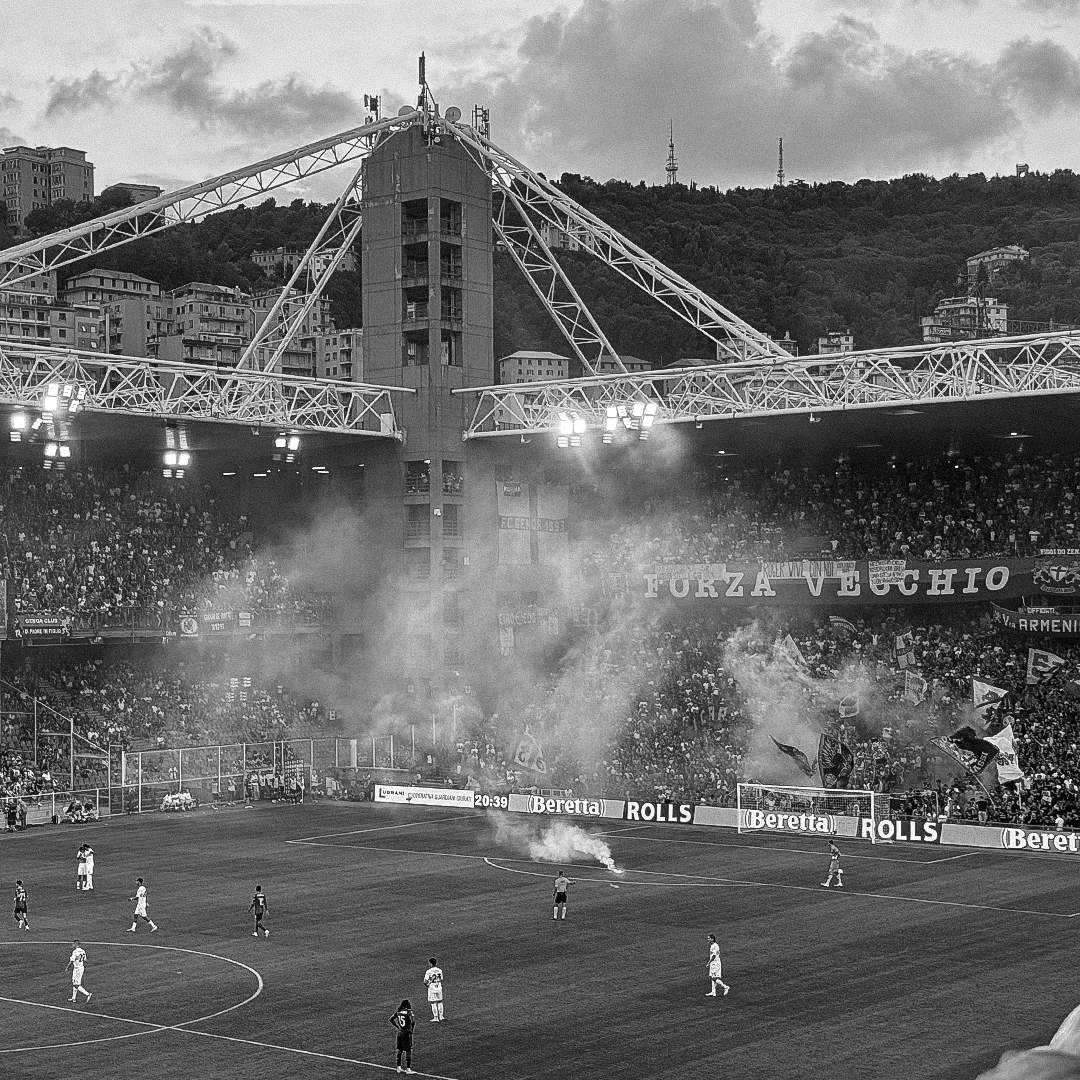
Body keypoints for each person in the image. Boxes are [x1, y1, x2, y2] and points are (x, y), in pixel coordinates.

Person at [389, 998, 415, 1073]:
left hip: (400, 1032)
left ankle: (398, 1067)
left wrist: (398, 1027)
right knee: (408, 1050)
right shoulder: (409, 1012)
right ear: (406, 1005)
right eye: (409, 1003)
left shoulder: (398, 1011)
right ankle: (408, 1069)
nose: (410, 1004)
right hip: (406, 1033)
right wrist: (411, 1030)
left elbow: (391, 1019)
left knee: (400, 1050)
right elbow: (413, 1021)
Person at [424, 957, 444, 1022]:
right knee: (440, 1002)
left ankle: (436, 1017)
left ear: (430, 963)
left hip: (432, 988)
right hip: (439, 987)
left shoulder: (429, 971)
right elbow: (441, 979)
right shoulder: (439, 970)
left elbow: (425, 981)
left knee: (433, 1003)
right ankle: (441, 1016)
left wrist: (427, 985)